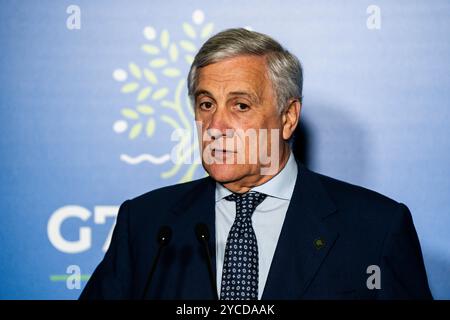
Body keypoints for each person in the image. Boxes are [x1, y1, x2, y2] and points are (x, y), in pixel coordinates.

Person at [80, 28, 432, 300]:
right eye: (206, 105)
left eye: (241, 106)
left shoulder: (376, 228)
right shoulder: (145, 223)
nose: (215, 127)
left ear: (289, 117)